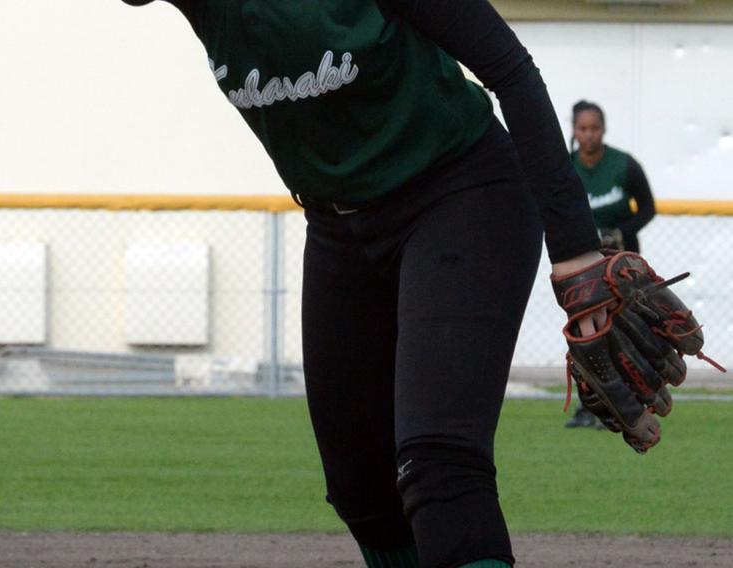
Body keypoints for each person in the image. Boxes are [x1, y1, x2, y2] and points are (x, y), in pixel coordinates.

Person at [121, 1, 605, 566]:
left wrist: (574, 248)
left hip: (462, 192)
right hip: (339, 224)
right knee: (361, 488)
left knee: (439, 464)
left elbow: (510, 68)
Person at [564, 100, 656, 429]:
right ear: (574, 130)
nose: (589, 135)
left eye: (595, 128)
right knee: (586, 337)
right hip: (582, 270)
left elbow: (647, 208)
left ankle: (629, 403)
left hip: (621, 268)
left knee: (624, 334)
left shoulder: (623, 165)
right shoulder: (565, 166)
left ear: (604, 129)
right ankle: (587, 407)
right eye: (582, 128)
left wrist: (619, 232)